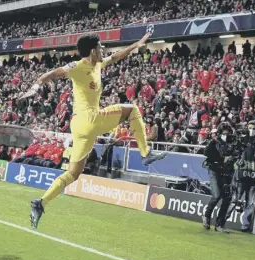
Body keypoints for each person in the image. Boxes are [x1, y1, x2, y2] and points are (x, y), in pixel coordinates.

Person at [20, 33, 167, 228]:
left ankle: (41, 203)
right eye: (100, 47)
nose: (103, 50)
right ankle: (145, 153)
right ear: (92, 50)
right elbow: (51, 74)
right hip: (90, 120)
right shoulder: (78, 66)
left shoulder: (97, 64)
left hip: (80, 127)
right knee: (132, 110)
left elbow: (115, 57)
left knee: (74, 172)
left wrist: (136, 44)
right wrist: (36, 87)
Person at [202, 122, 238, 233]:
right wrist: (213, 141)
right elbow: (206, 152)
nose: (225, 135)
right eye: (223, 133)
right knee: (216, 195)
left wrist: (231, 158)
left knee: (227, 198)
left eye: (227, 133)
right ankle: (206, 216)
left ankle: (219, 224)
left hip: (227, 172)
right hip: (214, 171)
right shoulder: (213, 142)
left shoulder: (233, 143)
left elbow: (237, 155)